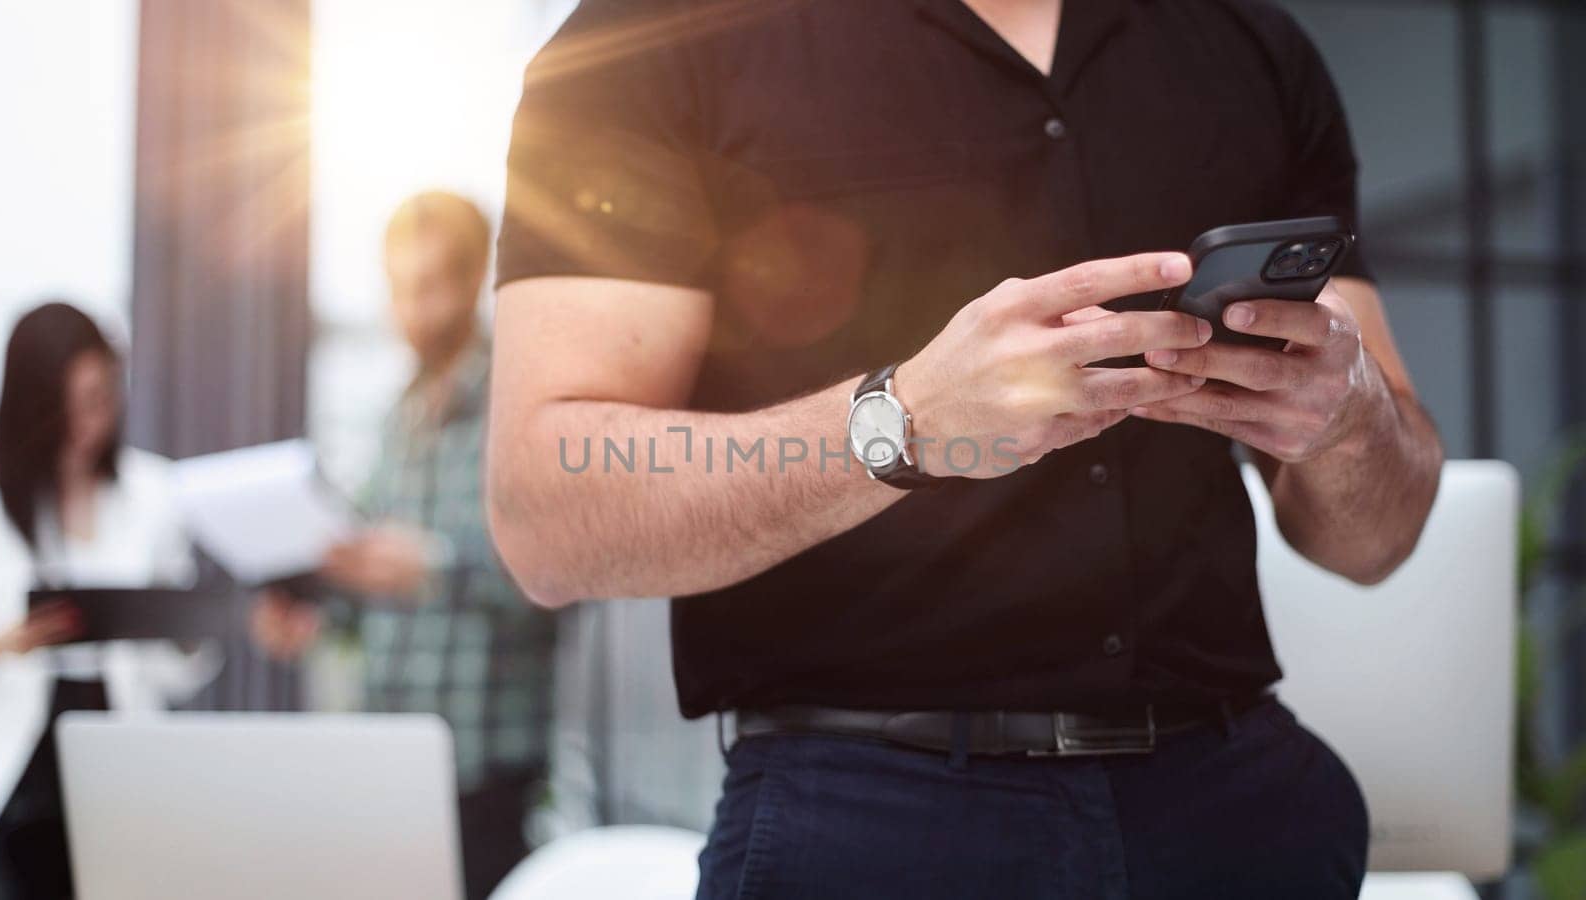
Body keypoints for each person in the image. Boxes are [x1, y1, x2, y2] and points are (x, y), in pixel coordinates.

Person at [486, 0, 1446, 898]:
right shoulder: (655, 36)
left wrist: (1351, 416)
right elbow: (547, 510)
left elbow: (1378, 540)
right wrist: (905, 422)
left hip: (1241, 806)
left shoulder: (1250, 46)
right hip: (865, 823)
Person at [252, 191, 556, 900]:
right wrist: (320, 608)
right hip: (391, 767)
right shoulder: (397, 419)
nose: (410, 312)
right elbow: (368, 576)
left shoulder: (520, 410)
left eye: (427, 287)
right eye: (397, 289)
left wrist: (434, 568)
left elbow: (557, 581)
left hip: (486, 771)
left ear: (475, 276)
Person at [0, 302, 220, 899]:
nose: (87, 422)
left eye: (100, 397)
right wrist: (5, 643)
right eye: (69, 403)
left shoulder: (155, 494)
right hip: (16, 772)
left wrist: (181, 625)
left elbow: (179, 670)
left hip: (120, 757)